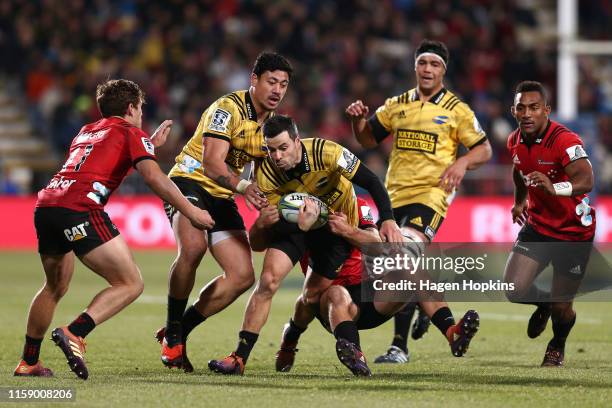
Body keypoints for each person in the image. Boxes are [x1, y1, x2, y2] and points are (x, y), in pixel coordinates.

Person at [13, 79, 214, 380]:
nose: (142, 114)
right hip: (80, 208)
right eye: (141, 108)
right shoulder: (131, 132)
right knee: (130, 283)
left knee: (54, 287)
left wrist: (148, 145)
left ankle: (28, 362)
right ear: (131, 107)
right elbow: (154, 178)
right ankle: (75, 332)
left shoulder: (87, 131)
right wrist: (191, 210)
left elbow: (105, 156)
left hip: (47, 204)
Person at [207, 114, 403, 375]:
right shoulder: (266, 174)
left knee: (311, 298)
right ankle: (239, 358)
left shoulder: (328, 152)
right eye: (271, 149)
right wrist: (264, 224)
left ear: (297, 141)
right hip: (296, 224)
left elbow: (371, 180)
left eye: (283, 148)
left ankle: (291, 336)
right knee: (267, 281)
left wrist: (388, 219)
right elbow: (257, 244)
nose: (276, 157)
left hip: (335, 229)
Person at [345, 39, 491, 363]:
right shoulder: (397, 104)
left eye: (434, 64)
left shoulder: (457, 110)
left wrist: (463, 163)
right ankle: (423, 322)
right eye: (423, 63)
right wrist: (358, 122)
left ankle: (404, 345)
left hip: (429, 196)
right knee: (392, 267)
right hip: (391, 196)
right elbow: (368, 139)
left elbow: (484, 149)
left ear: (443, 70)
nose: (428, 69)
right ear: (415, 67)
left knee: (404, 255)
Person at [157, 52, 292, 371]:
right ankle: (174, 333)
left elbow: (266, 171)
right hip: (189, 180)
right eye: (271, 82)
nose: (277, 90)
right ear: (254, 80)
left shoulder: (272, 126)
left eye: (284, 85)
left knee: (242, 276)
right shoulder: (226, 109)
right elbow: (212, 162)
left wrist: (269, 200)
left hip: (222, 195)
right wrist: (245, 188)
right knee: (192, 247)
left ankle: (177, 332)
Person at [274, 198, 480, 376]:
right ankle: (354, 355)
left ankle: (452, 333)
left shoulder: (357, 205)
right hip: (334, 306)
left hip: (370, 295)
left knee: (411, 269)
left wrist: (348, 230)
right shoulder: (299, 215)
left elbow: (376, 244)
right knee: (329, 295)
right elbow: (304, 293)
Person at [503, 80, 595, 367]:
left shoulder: (566, 141)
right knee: (513, 289)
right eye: (521, 108)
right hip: (539, 226)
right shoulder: (514, 141)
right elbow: (520, 171)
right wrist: (520, 201)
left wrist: (556, 188)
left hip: (573, 232)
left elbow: (586, 180)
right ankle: (543, 305)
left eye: (534, 107)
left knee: (562, 306)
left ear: (547, 110)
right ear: (513, 111)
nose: (527, 113)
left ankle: (557, 344)